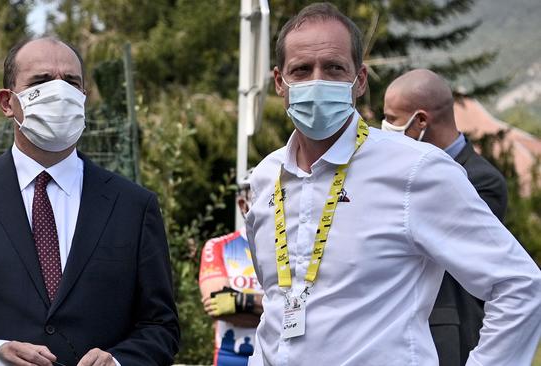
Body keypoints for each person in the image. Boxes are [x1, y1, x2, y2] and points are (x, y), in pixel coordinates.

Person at [244, 3, 541, 365]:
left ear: (360, 80)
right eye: (302, 70)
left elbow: (519, 285)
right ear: (279, 82)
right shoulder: (265, 178)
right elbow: (277, 303)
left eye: (335, 68)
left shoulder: (416, 170)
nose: (317, 81)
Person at [0, 37, 180, 366]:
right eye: (41, 81)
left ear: (84, 98)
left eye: (71, 82)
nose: (60, 92)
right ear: (7, 102)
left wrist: (118, 361)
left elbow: (161, 327)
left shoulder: (133, 205)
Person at [383, 69, 508, 365]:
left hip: (446, 337)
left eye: (391, 119)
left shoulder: (481, 180)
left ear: (421, 120)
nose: (384, 127)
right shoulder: (401, 171)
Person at [199, 171, 263, 366]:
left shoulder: (292, 249)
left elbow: (297, 309)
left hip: (275, 355)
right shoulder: (217, 246)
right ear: (242, 205)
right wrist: (271, 307)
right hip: (231, 356)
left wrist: (240, 300)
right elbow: (218, 305)